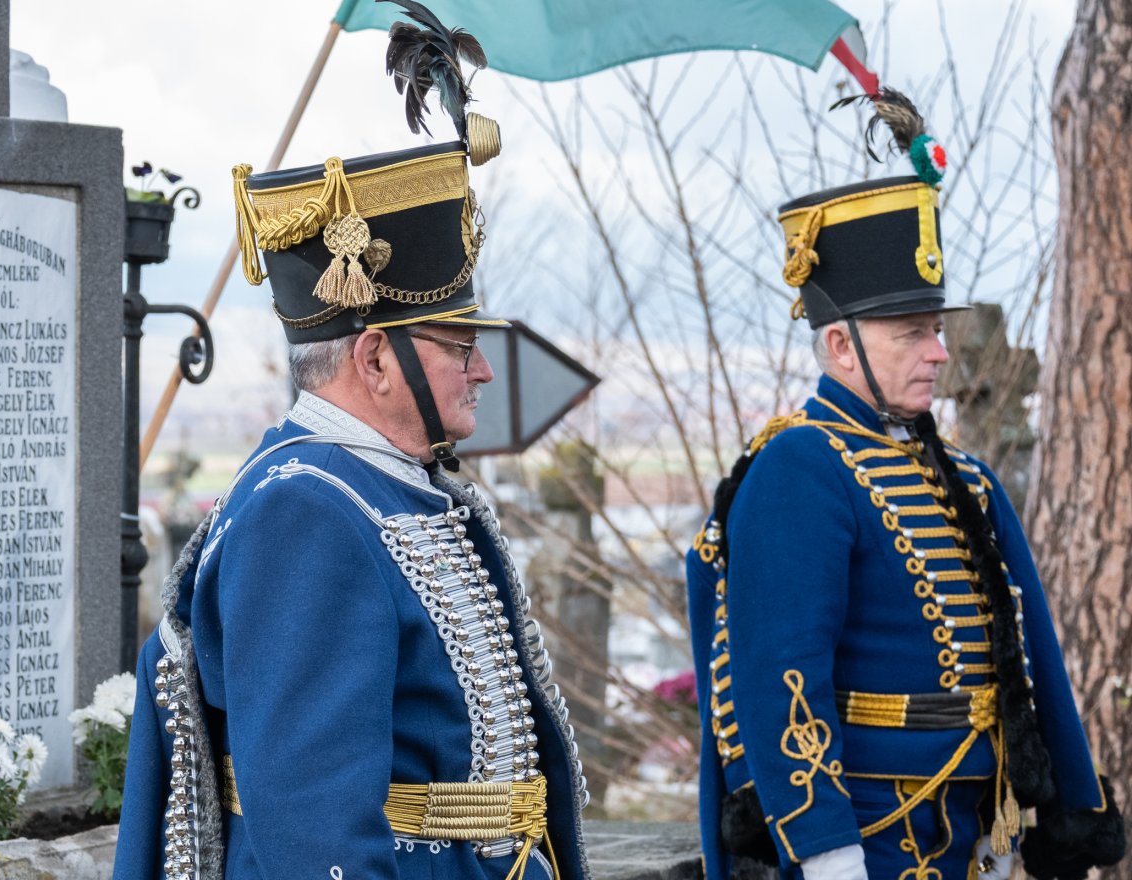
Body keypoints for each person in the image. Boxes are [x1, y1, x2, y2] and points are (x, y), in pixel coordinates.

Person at [113, 5, 590, 880]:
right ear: (374, 358)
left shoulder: (385, 485)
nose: (482, 372)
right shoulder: (306, 511)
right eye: (459, 348)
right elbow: (314, 830)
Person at [686, 90, 1125, 880]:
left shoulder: (967, 476)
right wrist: (824, 848)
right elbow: (783, 672)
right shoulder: (799, 468)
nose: (939, 353)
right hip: (872, 833)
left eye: (937, 329)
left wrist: (1070, 807)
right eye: (913, 333)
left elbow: (1034, 659)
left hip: (980, 827)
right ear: (840, 345)